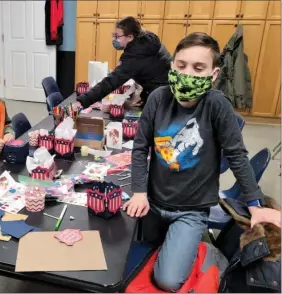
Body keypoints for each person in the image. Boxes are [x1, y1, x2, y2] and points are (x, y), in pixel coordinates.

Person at [123, 33, 281, 292]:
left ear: (213, 74)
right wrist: (139, 192)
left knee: (167, 280)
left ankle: (208, 253)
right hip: (152, 202)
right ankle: (177, 247)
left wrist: (255, 204)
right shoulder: (157, 98)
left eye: (198, 68)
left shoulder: (216, 105)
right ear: (171, 65)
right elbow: (140, 148)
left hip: (190, 210)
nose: (187, 74)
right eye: (181, 65)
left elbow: (237, 156)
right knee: (127, 260)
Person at [75, 16, 171, 109]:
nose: (114, 39)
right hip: (165, 90)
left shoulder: (135, 55)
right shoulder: (147, 39)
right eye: (113, 35)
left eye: (117, 36)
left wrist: (83, 101)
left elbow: (111, 82)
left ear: (130, 37)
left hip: (161, 97)